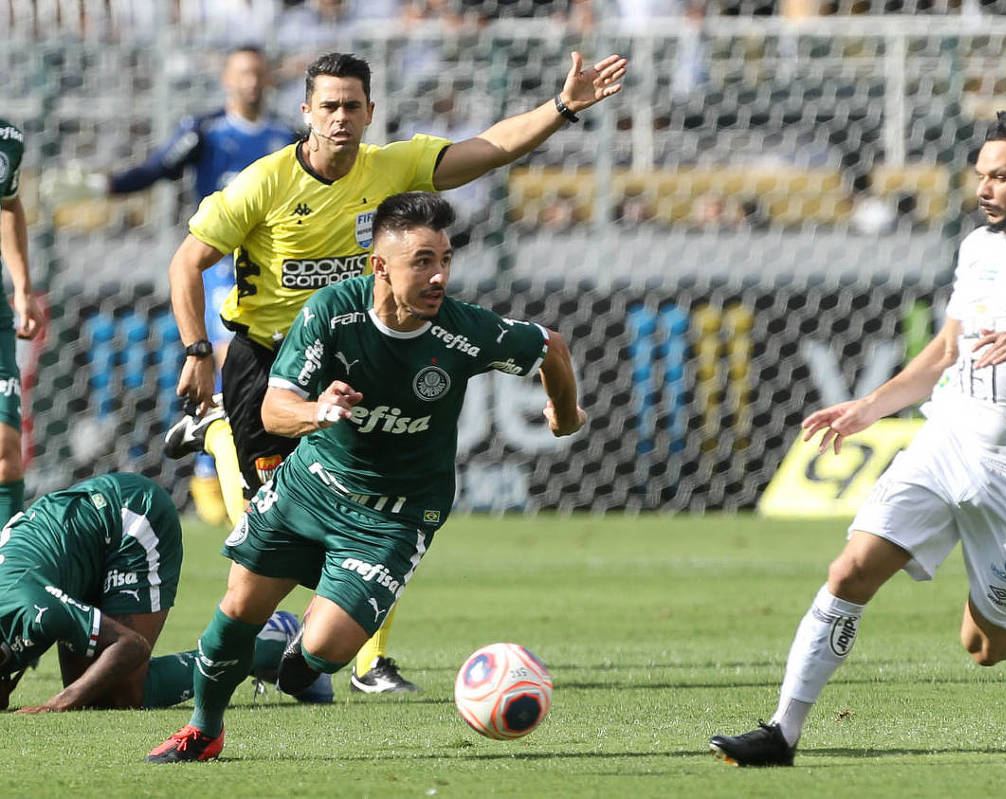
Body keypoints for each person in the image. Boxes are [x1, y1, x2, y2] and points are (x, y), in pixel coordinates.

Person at [163, 49, 624, 695]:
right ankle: (217, 432)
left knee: (383, 500)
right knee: (271, 518)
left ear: (371, 111)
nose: (341, 118)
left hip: (360, 352)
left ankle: (367, 659)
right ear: (306, 112)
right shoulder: (263, 182)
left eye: (353, 105)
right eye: (328, 106)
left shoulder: (392, 166)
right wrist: (195, 349)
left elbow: (488, 148)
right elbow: (188, 260)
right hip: (271, 360)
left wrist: (563, 106)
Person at [709, 110, 1006, 767]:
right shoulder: (976, 246)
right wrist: (872, 406)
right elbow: (947, 348)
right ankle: (782, 731)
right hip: (946, 441)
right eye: (981, 175)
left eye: (1001, 176)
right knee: (850, 569)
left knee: (987, 644)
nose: (985, 187)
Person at [146, 192, 586, 762]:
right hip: (313, 487)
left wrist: (566, 412)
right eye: (422, 261)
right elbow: (273, 410)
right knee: (236, 610)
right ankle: (203, 731)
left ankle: (293, 652)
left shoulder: (464, 331)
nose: (439, 276)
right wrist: (317, 412)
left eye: (445, 260)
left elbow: (549, 345)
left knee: (324, 656)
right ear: (379, 265)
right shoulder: (332, 313)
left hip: (395, 515)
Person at [99, 47, 295, 528]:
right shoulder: (204, 132)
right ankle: (210, 463)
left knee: (276, 364)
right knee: (228, 355)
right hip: (218, 267)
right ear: (226, 79)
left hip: (275, 269)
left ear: (269, 79)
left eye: (257, 73)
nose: (250, 82)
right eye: (242, 73)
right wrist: (104, 186)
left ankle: (253, 464)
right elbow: (159, 168)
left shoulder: (288, 137)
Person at [0, 472, 327, 712]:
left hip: (130, 520)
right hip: (79, 542)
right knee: (91, 694)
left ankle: (267, 642)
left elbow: (132, 646)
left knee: (123, 693)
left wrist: (56, 704)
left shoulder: (32, 606)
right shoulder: (24, 607)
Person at [0, 118, 48, 526]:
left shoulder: (7, 138)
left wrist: (22, 287)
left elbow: (8, 203)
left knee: (5, 455)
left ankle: (5, 575)